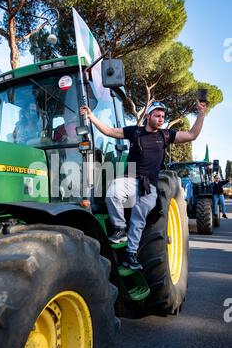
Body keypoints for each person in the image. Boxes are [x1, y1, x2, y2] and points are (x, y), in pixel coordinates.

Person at [80, 100, 208, 270]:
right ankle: (119, 229)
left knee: (138, 221)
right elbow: (110, 131)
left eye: (163, 116)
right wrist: (91, 117)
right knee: (113, 192)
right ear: (148, 116)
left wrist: (201, 114)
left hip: (150, 186)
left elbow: (192, 135)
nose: (161, 119)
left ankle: (131, 255)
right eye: (157, 115)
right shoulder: (135, 132)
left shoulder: (166, 135)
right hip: (131, 180)